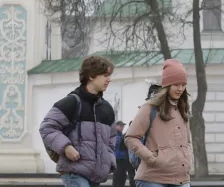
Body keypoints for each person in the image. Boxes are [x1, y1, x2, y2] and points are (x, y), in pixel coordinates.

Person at [39, 55, 117, 187]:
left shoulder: (107, 109)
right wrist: (66, 147)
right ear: (91, 76)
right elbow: (47, 128)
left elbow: (111, 139)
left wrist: (109, 159)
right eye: (105, 75)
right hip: (74, 173)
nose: (109, 79)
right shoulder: (71, 102)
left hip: (96, 177)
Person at [125, 59, 193, 187]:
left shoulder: (183, 110)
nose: (180, 89)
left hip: (181, 178)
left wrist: (188, 158)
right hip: (152, 178)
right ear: (167, 85)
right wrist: (150, 158)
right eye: (176, 84)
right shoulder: (149, 108)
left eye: (183, 85)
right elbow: (130, 137)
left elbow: (187, 142)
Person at [112, 121, 135, 187]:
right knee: (118, 177)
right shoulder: (115, 134)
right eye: (121, 126)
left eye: (123, 126)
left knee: (122, 177)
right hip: (118, 158)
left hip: (123, 159)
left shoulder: (121, 134)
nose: (122, 127)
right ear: (117, 126)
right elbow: (117, 145)